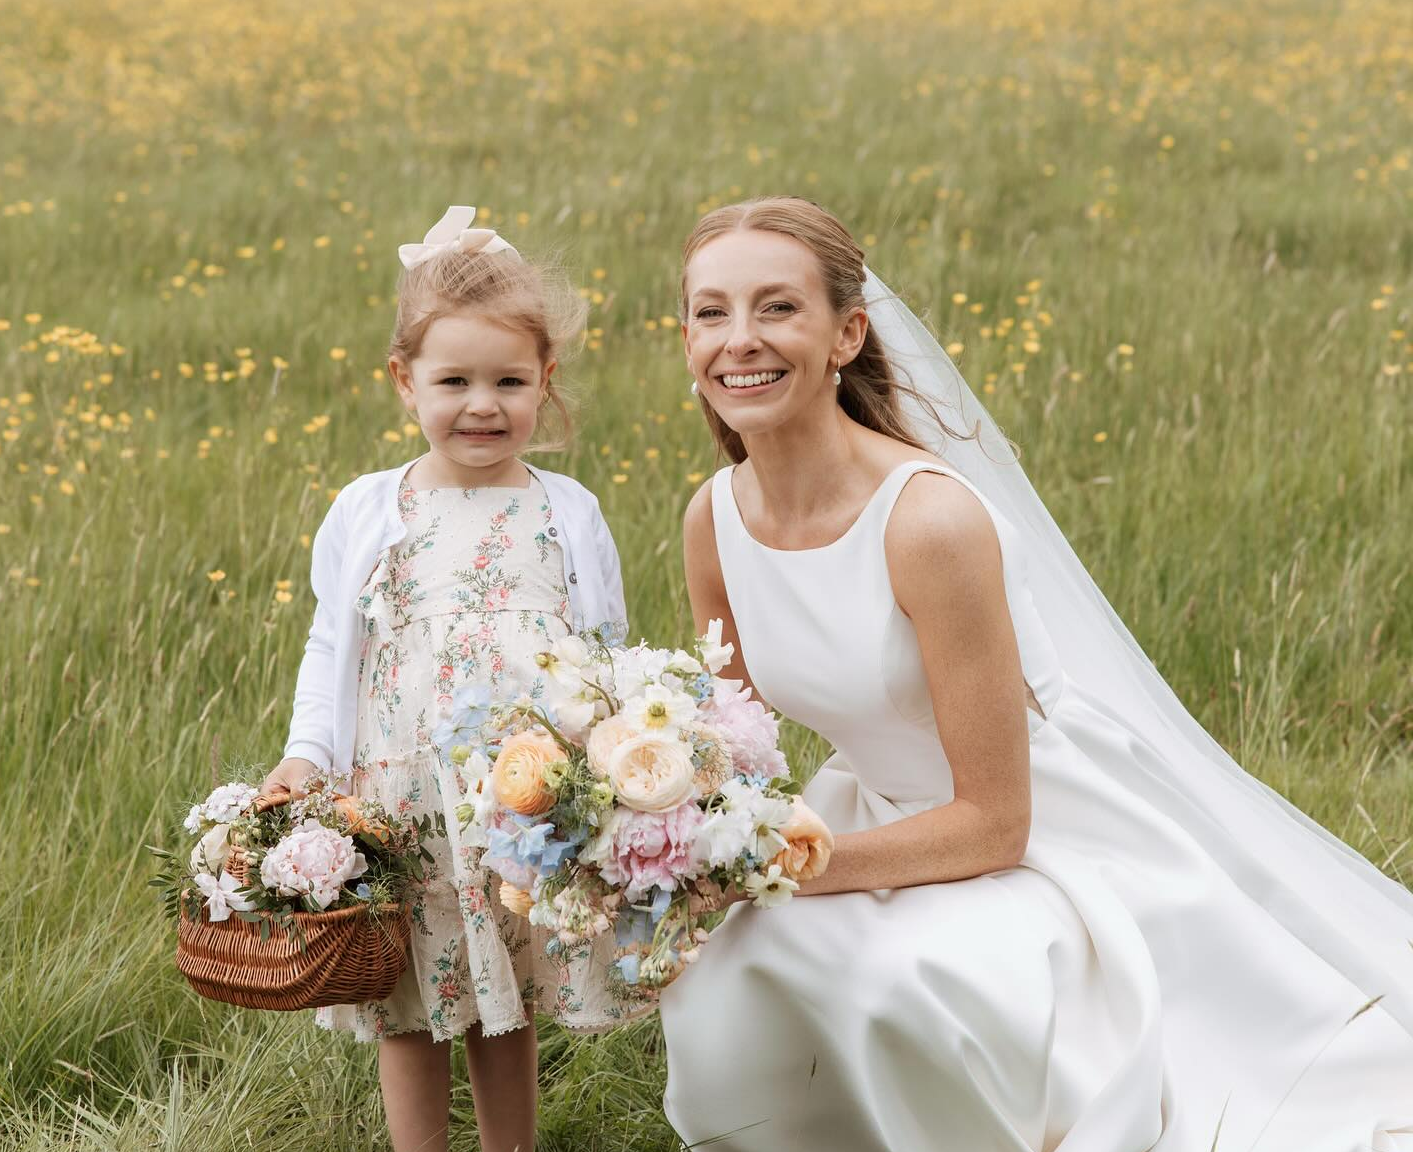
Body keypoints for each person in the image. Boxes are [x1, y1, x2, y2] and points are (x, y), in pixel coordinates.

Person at [659, 196, 1413, 1151]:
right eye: (711, 312)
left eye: (777, 308)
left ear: (847, 332)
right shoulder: (711, 519)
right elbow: (740, 746)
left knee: (902, 984)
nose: (740, 341)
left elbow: (996, 822)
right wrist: (660, 829)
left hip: (1032, 831)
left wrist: (776, 870)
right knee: (724, 970)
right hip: (866, 813)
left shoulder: (927, 522)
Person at [260, 207, 641, 1152]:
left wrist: (623, 761)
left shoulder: (568, 509)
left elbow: (608, 648)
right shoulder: (372, 509)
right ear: (405, 381)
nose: (484, 404)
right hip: (404, 797)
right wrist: (308, 758)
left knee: (500, 1004)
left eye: (511, 382)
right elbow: (330, 647)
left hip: (522, 801)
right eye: (455, 381)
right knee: (410, 999)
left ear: (545, 382)